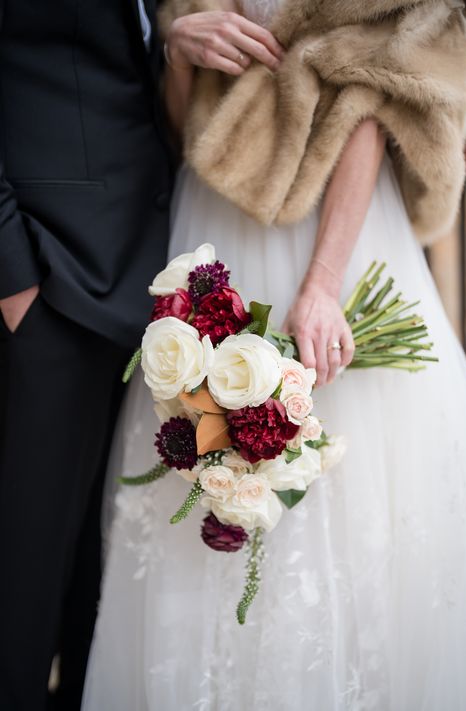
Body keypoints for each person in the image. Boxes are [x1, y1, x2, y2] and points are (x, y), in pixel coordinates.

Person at [83, 1, 466, 709]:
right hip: (211, 225)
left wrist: (323, 283)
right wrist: (177, 50)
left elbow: (377, 90)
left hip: (337, 229)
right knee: (197, 462)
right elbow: (183, 126)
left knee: (353, 478)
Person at [0, 1, 172, 709]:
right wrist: (14, 280)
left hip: (148, 290)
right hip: (49, 287)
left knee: (95, 599)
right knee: (19, 597)